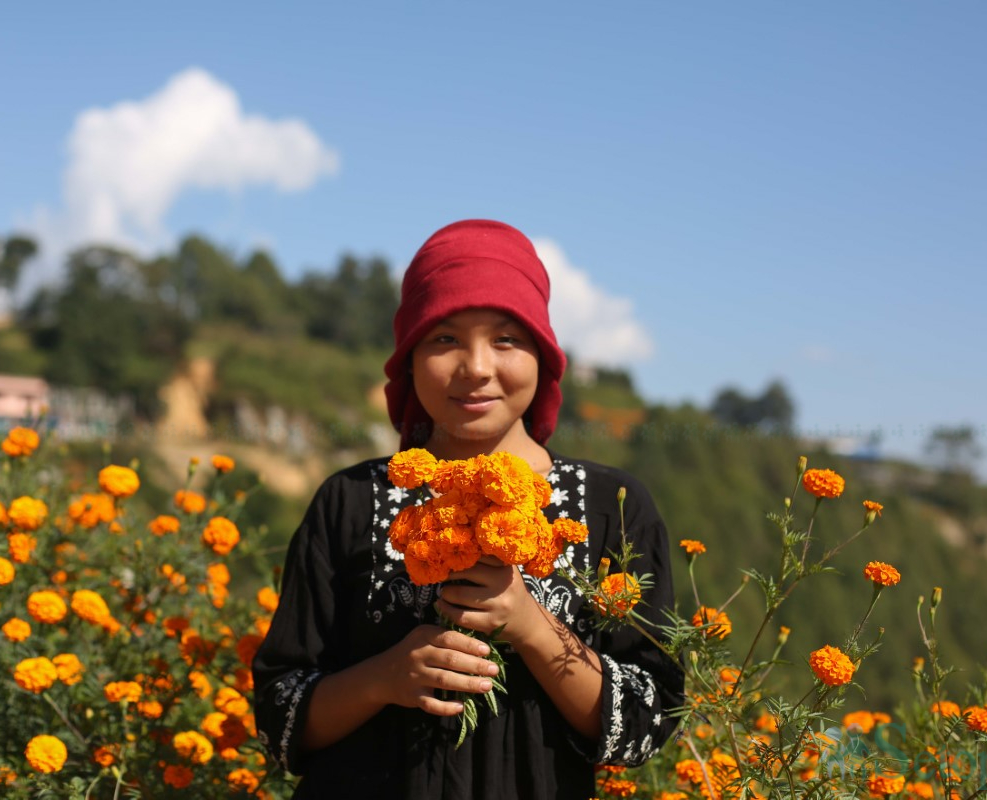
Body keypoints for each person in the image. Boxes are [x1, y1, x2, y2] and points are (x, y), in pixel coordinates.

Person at [252, 219, 683, 799]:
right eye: (444, 339)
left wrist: (532, 626)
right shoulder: (350, 501)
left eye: (506, 339)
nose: (476, 367)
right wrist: (384, 676)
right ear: (408, 360)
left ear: (543, 357)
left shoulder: (611, 509)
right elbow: (280, 719)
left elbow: (647, 724)